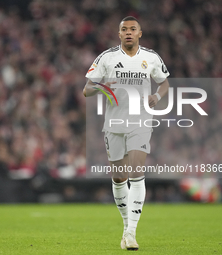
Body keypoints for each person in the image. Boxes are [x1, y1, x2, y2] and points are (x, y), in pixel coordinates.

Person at [83, 16, 170, 250]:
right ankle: (125, 226)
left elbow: (164, 83)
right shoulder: (107, 58)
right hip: (114, 124)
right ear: (119, 34)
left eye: (133, 29)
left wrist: (157, 97)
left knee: (136, 173)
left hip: (141, 122)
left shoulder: (150, 58)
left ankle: (131, 233)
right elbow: (86, 90)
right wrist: (103, 86)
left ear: (140, 33)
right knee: (119, 178)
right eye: (124, 29)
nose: (129, 32)